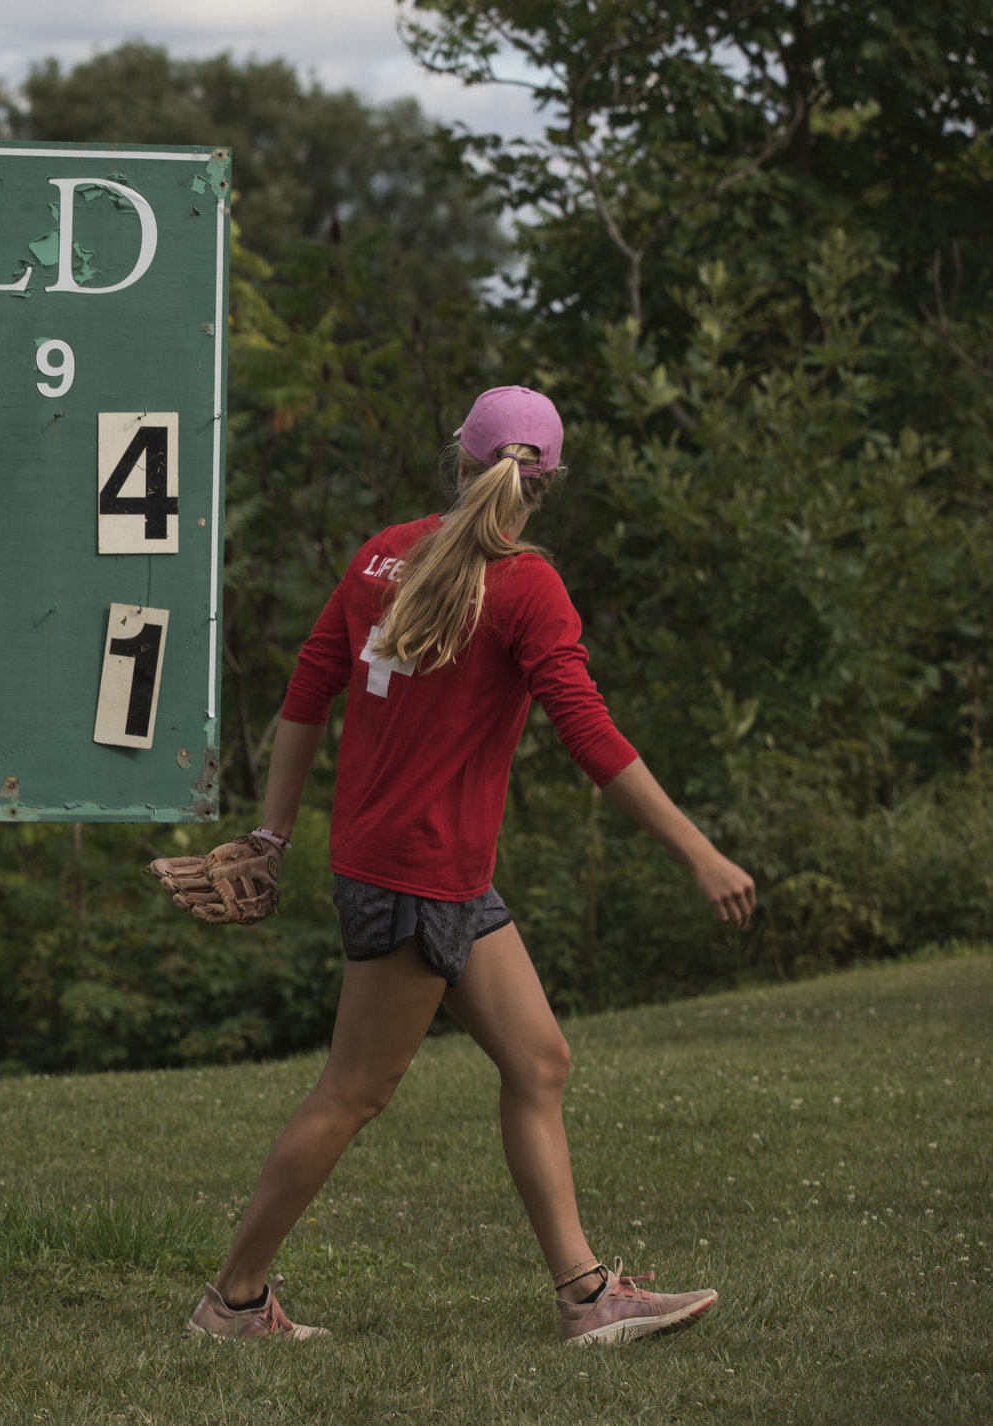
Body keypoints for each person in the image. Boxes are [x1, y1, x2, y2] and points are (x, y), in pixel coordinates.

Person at [183, 386, 757, 1346]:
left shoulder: (381, 554)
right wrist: (698, 852)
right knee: (353, 1090)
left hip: (433, 874)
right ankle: (233, 1301)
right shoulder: (526, 584)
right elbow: (588, 732)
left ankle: (586, 1297)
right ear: (549, 481)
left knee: (539, 1060)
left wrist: (276, 834)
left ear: (461, 461)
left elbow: (307, 688)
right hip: (416, 876)